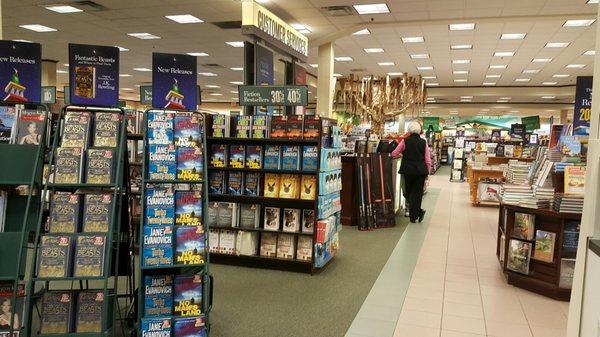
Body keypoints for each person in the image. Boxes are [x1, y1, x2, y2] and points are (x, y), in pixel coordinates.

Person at [392, 121, 431, 223]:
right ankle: (415, 215)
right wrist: (428, 172)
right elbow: (427, 159)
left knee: (407, 193)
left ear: (409, 130)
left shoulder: (405, 141)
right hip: (420, 171)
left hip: (407, 170)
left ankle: (416, 213)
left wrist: (401, 155)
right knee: (417, 194)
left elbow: (394, 153)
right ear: (419, 131)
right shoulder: (424, 143)